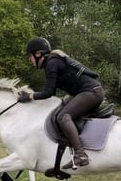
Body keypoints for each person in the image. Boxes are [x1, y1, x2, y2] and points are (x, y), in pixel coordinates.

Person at [18, 36, 105, 167]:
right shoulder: (53, 61)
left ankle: (80, 154)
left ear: (38, 54)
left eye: (30, 56)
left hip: (91, 92)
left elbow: (48, 93)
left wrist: (30, 96)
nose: (30, 60)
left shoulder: (51, 63)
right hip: (87, 91)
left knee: (63, 117)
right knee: (61, 106)